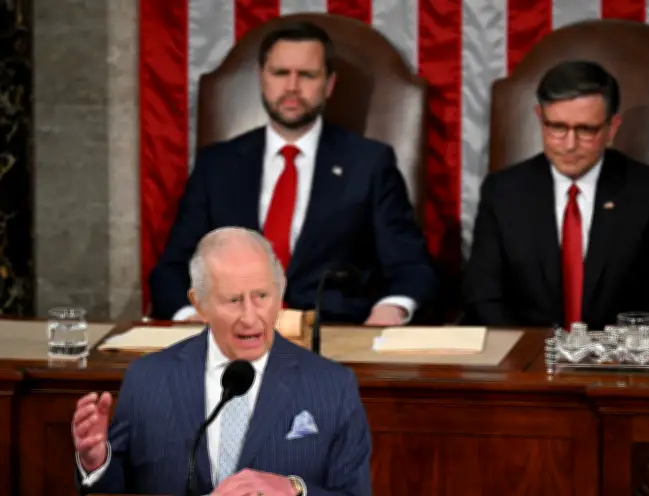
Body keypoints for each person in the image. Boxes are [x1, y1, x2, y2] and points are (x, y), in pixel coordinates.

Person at [149, 21, 437, 327]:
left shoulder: (369, 163)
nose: (292, 87)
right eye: (280, 73)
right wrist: (189, 316)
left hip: (332, 337)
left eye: (307, 75)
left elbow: (411, 265)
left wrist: (392, 308)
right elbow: (173, 267)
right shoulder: (217, 165)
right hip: (230, 337)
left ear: (329, 85)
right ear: (262, 78)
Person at [72, 227, 372, 496]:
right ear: (199, 304)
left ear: (280, 293)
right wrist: (96, 462)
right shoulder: (148, 379)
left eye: (262, 297)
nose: (250, 317)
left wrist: (294, 488)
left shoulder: (332, 385)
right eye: (233, 301)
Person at [463, 60, 649, 333]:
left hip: (618, 364)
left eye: (585, 130)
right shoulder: (503, 192)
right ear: (540, 118)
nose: (569, 145)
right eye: (557, 127)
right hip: (526, 362)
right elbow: (484, 298)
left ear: (612, 127)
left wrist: (608, 356)